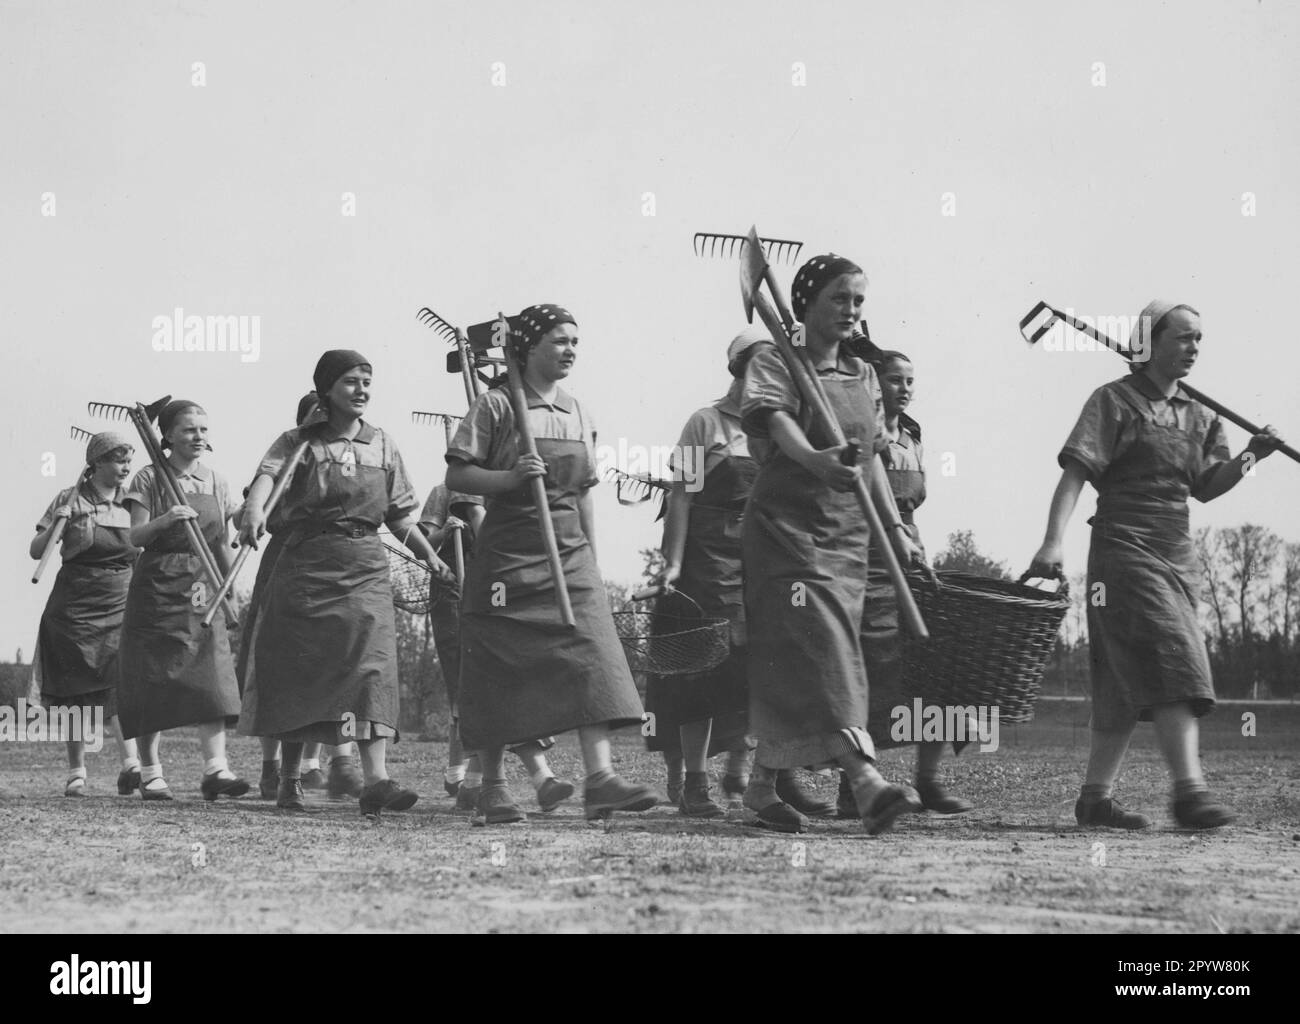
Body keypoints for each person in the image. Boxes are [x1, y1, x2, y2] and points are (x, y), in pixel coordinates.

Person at [1029, 301, 1282, 830]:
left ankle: (1095, 800)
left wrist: (1253, 455)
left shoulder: (1200, 413)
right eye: (1183, 338)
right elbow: (1075, 474)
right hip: (1124, 549)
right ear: (1150, 342)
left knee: (1122, 682)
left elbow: (1207, 488)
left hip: (1178, 554)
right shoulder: (1113, 401)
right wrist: (1053, 543)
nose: (1193, 348)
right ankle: (1190, 793)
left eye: (1199, 340)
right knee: (1177, 662)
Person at [446, 304, 655, 825]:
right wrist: (510, 478)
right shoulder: (496, 405)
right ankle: (493, 787)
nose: (570, 351)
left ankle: (600, 780)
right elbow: (459, 476)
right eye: (560, 341)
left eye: (575, 343)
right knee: (500, 668)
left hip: (570, 551)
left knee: (593, 655)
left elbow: (585, 490)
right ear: (530, 346)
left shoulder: (579, 412)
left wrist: (590, 555)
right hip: (509, 553)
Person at [740, 254, 928, 835]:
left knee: (819, 651)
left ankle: (759, 785)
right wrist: (817, 460)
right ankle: (867, 781)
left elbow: (870, 457)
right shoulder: (777, 360)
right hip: (785, 529)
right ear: (807, 304)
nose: (851, 311)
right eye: (839, 299)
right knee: (822, 645)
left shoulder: (864, 375)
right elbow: (778, 427)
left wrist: (895, 529)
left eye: (859, 301)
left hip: (848, 534)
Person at [238, 351, 453, 814]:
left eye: (367, 382)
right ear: (327, 389)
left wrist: (429, 553)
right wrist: (256, 509)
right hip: (306, 565)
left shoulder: (383, 444)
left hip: (365, 568)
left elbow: (399, 515)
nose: (362, 391)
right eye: (352, 382)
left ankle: (377, 779)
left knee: (369, 668)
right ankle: (290, 778)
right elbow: (267, 476)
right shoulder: (298, 441)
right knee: (302, 672)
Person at [645, 327, 775, 818]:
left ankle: (740, 775)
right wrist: (673, 564)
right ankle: (694, 783)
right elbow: (682, 494)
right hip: (705, 558)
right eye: (759, 366)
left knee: (753, 669)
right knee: (697, 671)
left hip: (759, 560)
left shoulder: (778, 428)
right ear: (738, 369)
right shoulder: (706, 423)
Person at [841, 350, 972, 817]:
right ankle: (852, 784)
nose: (905, 388)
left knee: (935, 659)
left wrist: (913, 547)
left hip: (909, 552)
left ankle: (929, 781)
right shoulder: (858, 431)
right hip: (864, 553)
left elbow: (912, 504)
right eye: (895, 380)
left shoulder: (914, 436)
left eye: (911, 380)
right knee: (870, 666)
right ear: (876, 384)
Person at [233, 393, 363, 802]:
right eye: (316, 417)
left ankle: (338, 763)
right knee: (278, 665)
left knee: (332, 661)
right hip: (285, 562)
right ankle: (273, 768)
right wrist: (252, 510)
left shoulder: (341, 465)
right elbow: (243, 514)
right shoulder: (286, 461)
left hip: (333, 562)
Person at [117, 401, 248, 801]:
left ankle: (216, 769)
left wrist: (231, 593)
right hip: (157, 585)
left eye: (204, 430)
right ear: (169, 434)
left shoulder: (216, 482)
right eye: (190, 430)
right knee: (152, 679)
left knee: (213, 677)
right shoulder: (148, 477)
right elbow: (132, 538)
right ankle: (151, 772)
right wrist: (166, 519)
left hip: (203, 587)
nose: (199, 437)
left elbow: (222, 542)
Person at [418, 480, 574, 813]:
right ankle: (530, 778)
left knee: (503, 678)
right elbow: (421, 544)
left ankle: (474, 784)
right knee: (473, 683)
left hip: (496, 589)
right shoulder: (443, 491)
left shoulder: (506, 492)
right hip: (452, 595)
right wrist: (446, 531)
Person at [29, 432, 141, 796]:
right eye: (118, 460)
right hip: (73, 606)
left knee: (118, 681)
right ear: (96, 463)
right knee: (74, 691)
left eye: (128, 460)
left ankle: (131, 764)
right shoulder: (69, 498)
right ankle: (77, 772)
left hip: (120, 600)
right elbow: (35, 551)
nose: (125, 467)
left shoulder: (133, 502)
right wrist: (56, 524)